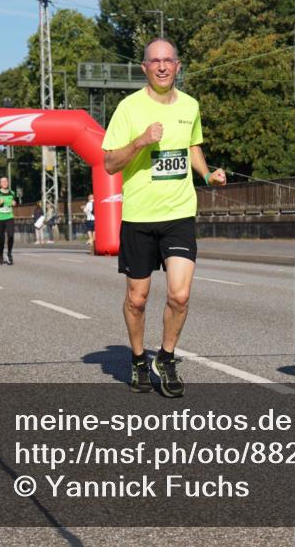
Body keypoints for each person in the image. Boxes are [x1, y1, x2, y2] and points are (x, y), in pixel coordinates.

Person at [102, 38, 225, 396]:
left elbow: (192, 146)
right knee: (137, 299)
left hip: (179, 213)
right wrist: (140, 141)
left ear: (178, 66)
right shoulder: (128, 108)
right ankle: (139, 359)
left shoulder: (190, 105)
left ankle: (166, 358)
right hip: (139, 216)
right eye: (154, 61)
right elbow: (109, 162)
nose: (161, 66)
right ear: (144, 67)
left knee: (180, 295)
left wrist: (206, 175)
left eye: (167, 60)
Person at [0, 177, 18, 265]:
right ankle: (1, 255)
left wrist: (14, 204)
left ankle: (9, 253)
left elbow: (14, 203)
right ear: (0, 184)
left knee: (11, 235)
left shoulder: (12, 193)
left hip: (9, 217)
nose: (5, 183)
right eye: (3, 181)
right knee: (1, 238)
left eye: (6, 181)